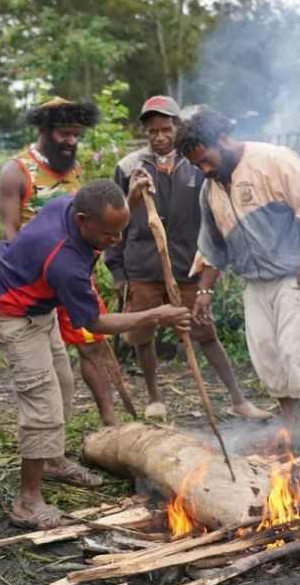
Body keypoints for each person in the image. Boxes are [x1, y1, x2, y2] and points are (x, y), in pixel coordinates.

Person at [0, 179, 191, 529]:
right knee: (41, 404)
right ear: (82, 220)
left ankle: (50, 462)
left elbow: (104, 213)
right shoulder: (65, 260)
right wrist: (157, 314)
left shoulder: (76, 204)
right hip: (12, 313)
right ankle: (27, 500)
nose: (116, 241)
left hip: (39, 302)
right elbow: (96, 322)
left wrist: (133, 201)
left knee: (61, 384)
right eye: (109, 234)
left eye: (121, 230)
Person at [176, 109, 300, 447]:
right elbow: (213, 245)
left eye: (206, 159)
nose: (204, 169)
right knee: (267, 352)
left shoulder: (273, 160)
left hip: (298, 275)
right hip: (255, 282)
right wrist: (204, 290)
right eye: (197, 166)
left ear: (223, 140)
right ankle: (292, 420)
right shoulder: (210, 189)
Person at [106, 96, 270, 421]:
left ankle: (238, 399)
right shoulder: (129, 167)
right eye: (152, 131)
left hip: (188, 265)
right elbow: (116, 217)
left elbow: (216, 213)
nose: (159, 137)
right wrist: (117, 269)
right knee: (143, 334)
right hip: (142, 265)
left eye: (166, 128)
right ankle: (154, 398)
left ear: (177, 126)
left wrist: (215, 261)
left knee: (205, 332)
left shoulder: (195, 161)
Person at [0, 97, 123, 433]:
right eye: (65, 134)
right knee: (47, 369)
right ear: (45, 130)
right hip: (37, 283)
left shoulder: (74, 170)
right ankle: (50, 438)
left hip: (72, 278)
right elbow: (8, 232)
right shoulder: (17, 170)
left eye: (76, 135)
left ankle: (110, 423)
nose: (71, 141)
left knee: (92, 345)